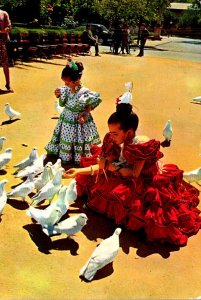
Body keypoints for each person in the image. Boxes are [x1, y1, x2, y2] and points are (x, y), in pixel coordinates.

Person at [63, 87, 201, 246]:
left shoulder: (140, 144)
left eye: (115, 133)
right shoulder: (113, 140)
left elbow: (134, 174)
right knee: (100, 183)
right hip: (122, 172)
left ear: (128, 133)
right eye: (111, 133)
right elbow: (102, 165)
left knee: (139, 205)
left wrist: (110, 166)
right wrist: (78, 171)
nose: (111, 137)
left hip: (142, 180)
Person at [45, 58, 102, 165]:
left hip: (79, 122)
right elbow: (62, 104)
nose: (65, 85)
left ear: (77, 81)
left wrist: (85, 114)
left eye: (67, 82)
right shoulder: (66, 89)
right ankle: (66, 155)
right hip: (66, 119)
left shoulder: (84, 92)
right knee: (66, 137)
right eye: (64, 82)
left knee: (77, 139)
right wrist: (58, 95)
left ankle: (77, 158)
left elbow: (91, 104)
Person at [0, 9, 13, 92]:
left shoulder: (3, 13)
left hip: (1, 42)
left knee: (5, 64)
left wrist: (3, 31)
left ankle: (8, 84)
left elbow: (9, 27)